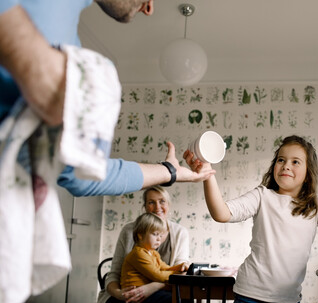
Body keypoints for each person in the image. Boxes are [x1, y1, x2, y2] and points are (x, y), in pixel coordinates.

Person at [0, 1, 216, 196]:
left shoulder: (71, 50)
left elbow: (80, 175)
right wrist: (34, 65)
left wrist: (170, 172)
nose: (149, 8)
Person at [184, 135, 318, 303]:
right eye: (281, 160)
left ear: (308, 173)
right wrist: (207, 175)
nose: (286, 165)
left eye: (295, 162)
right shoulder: (262, 196)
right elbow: (221, 213)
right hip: (251, 301)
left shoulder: (315, 205)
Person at [96, 186, 190, 303]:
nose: (157, 207)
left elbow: (180, 275)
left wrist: (154, 287)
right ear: (145, 206)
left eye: (162, 201)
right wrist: (120, 294)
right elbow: (114, 274)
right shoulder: (129, 232)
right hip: (129, 294)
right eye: (151, 202)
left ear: (168, 204)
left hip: (164, 292)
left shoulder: (180, 233)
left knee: (182, 301)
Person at [119, 213, 189, 303]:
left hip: (147, 291)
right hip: (136, 294)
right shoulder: (138, 253)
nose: (159, 239)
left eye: (160, 235)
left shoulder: (153, 253)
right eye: (155, 234)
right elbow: (157, 275)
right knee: (172, 301)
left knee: (185, 299)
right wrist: (178, 276)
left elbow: (165, 268)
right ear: (140, 235)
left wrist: (181, 267)